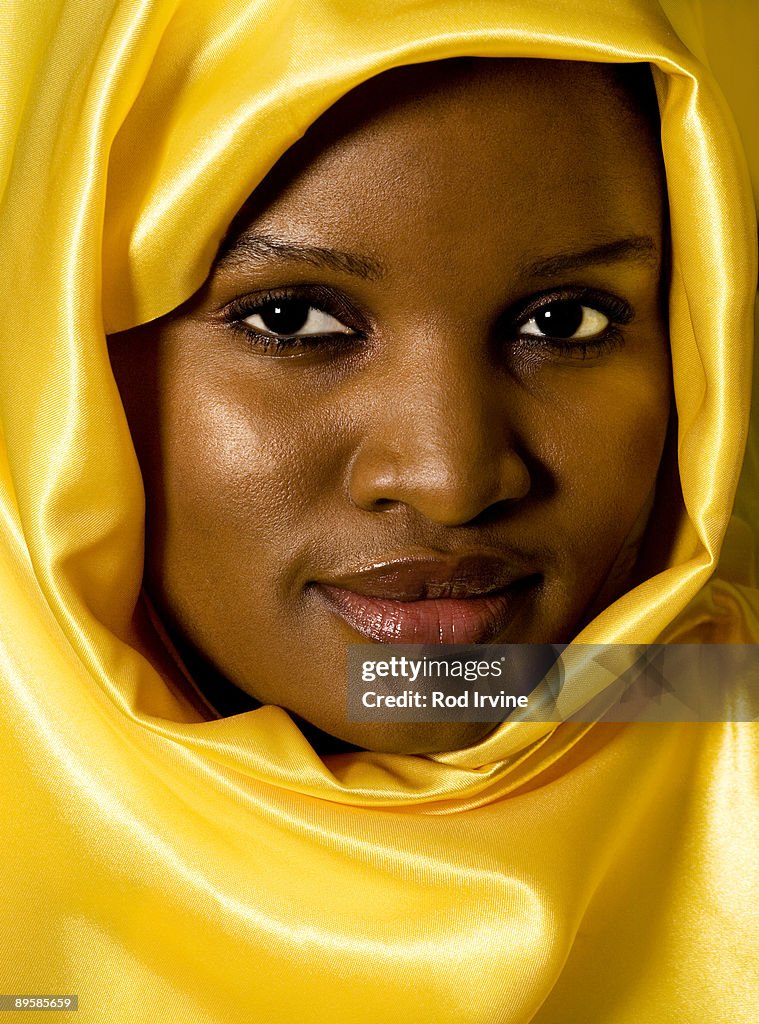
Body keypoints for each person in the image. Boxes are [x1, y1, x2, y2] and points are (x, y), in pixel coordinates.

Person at [0, 1, 757, 1021]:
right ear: (67, 351)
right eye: (293, 318)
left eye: (564, 320)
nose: (452, 477)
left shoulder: (730, 728)